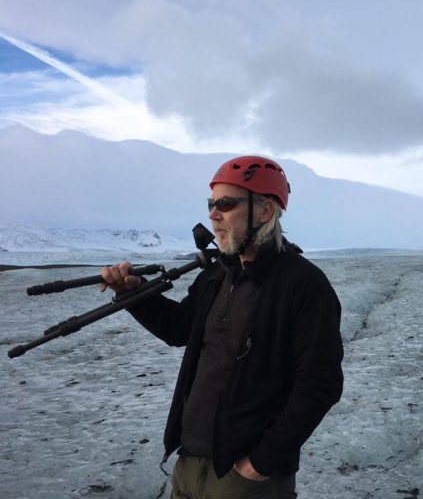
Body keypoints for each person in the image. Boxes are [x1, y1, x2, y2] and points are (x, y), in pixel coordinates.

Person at [100, 155, 344, 499]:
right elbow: (179, 329)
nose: (213, 215)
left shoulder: (303, 284)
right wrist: (132, 293)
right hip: (189, 465)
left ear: (264, 212)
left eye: (226, 204)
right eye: (211, 204)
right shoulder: (217, 274)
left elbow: (320, 384)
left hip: (244, 479)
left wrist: (258, 465)